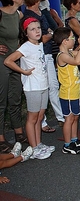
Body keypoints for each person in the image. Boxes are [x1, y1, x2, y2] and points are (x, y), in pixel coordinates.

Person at [4, 17, 54, 160]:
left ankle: (38, 144)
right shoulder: (25, 47)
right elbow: (8, 61)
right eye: (32, 29)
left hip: (43, 85)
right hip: (33, 87)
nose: (37, 31)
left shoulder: (39, 44)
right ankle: (33, 148)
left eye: (38, 28)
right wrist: (23, 71)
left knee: (39, 117)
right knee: (32, 118)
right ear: (26, 33)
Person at [23, 0, 64, 132]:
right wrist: (47, 36)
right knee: (43, 88)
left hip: (47, 54)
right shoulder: (27, 14)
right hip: (37, 57)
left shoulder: (42, 11)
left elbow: (53, 30)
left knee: (52, 85)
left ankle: (60, 116)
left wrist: (49, 35)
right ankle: (42, 121)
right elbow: (37, 37)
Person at [0, 0, 28, 153]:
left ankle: (18, 132)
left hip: (15, 61)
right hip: (1, 61)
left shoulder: (19, 15)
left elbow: (21, 38)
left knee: (15, 98)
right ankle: (1, 138)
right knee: (1, 101)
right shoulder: (0, 14)